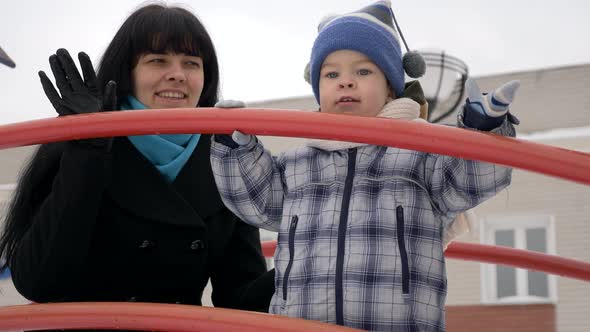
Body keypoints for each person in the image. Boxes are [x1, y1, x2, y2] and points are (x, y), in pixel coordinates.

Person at [210, 1, 519, 330]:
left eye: (363, 71)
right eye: (331, 74)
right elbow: (255, 199)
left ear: (389, 87)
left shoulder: (419, 154)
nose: (345, 82)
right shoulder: (299, 162)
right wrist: (234, 144)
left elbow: (470, 178)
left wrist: (480, 130)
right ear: (318, 89)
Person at [0, 4, 274, 312]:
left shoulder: (226, 160)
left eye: (191, 63)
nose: (177, 75)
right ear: (126, 72)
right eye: (158, 60)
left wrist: (305, 258)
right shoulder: (78, 146)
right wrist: (86, 153)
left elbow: (240, 299)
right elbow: (38, 282)